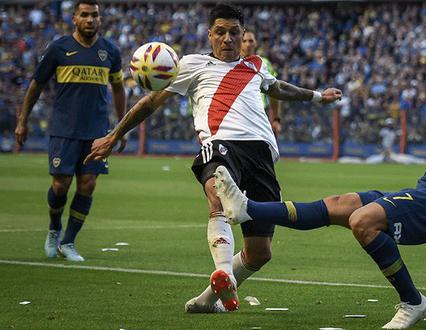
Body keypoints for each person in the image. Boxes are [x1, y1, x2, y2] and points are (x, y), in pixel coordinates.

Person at [215, 55, 426, 329]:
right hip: (422, 191)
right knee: (340, 204)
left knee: (362, 221)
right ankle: (247, 208)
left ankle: (413, 301)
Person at [83, 3, 341, 313]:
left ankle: (208, 299)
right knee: (217, 192)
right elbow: (151, 102)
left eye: (234, 33)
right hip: (221, 145)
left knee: (260, 253)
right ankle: (223, 270)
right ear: (210, 35)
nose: (228, 39)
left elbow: (280, 89)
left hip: (262, 155)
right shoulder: (191, 65)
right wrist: (115, 134)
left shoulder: (256, 66)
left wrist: (317, 96)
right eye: (221, 32)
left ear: (243, 34)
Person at [14, 0, 126, 262]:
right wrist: (22, 120)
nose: (90, 20)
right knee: (60, 185)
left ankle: (68, 242)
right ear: (74, 18)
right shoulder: (59, 48)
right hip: (64, 129)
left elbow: (119, 89)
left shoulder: (110, 51)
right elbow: (36, 85)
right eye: (85, 15)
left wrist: (120, 127)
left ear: (100, 18)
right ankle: (54, 227)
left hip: (97, 132)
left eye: (94, 15)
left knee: (88, 184)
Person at [241, 29, 283, 135]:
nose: (248, 44)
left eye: (251, 41)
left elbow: (274, 92)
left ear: (256, 43)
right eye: (244, 41)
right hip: (237, 116)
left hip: (259, 115)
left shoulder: (264, 64)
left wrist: (276, 119)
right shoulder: (231, 63)